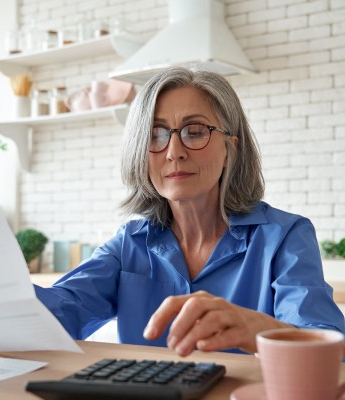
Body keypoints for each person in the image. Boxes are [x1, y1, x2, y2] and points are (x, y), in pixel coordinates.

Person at [34, 67, 345, 355]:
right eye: (156, 134)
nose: (174, 152)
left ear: (230, 148)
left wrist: (259, 329)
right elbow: (56, 314)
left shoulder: (284, 237)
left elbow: (331, 349)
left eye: (194, 131)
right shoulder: (129, 243)